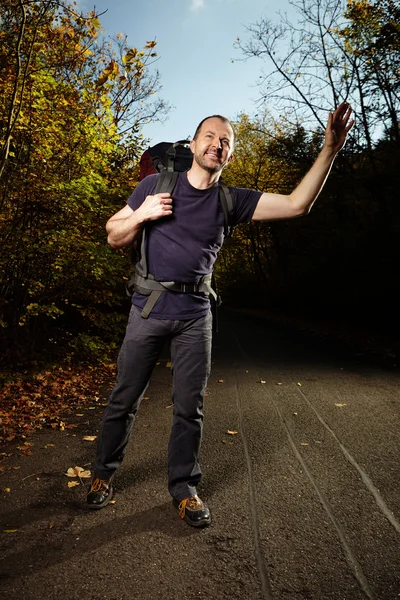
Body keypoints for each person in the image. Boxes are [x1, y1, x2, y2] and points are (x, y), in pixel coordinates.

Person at [87, 103, 354, 527]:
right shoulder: (157, 183)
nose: (218, 143)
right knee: (124, 398)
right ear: (193, 144)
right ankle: (102, 475)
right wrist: (142, 213)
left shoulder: (233, 200)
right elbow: (113, 236)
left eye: (226, 140)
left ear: (230, 155)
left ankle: (184, 489)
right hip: (148, 311)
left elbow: (297, 205)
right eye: (210, 136)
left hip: (196, 317)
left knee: (189, 407)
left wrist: (330, 151)